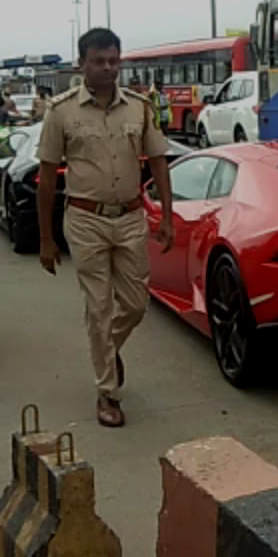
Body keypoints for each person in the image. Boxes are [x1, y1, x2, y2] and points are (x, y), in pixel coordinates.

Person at [36, 28, 174, 428]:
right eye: (99, 61)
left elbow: (158, 161)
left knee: (135, 303)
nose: (108, 68)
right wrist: (46, 239)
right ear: (81, 64)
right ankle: (107, 393)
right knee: (98, 308)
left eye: (114, 60)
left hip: (130, 218)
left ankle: (107, 350)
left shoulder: (139, 107)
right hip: (84, 220)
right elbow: (47, 177)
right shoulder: (61, 111)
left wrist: (165, 215)